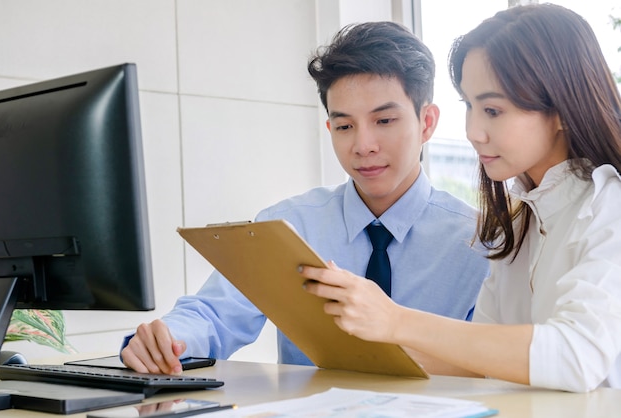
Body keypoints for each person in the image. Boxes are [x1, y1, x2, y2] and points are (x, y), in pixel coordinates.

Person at [120, 21, 489, 375]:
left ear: (427, 123)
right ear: (330, 128)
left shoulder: (482, 244)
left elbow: (488, 364)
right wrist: (164, 341)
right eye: (344, 126)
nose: (363, 146)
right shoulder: (289, 226)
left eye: (384, 121)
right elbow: (214, 315)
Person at [301, 4, 621, 393]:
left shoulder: (609, 206)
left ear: (561, 110)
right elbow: (481, 362)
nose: (473, 131)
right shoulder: (522, 223)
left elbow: (576, 356)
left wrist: (396, 320)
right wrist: (349, 352)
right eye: (469, 106)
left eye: (492, 110)